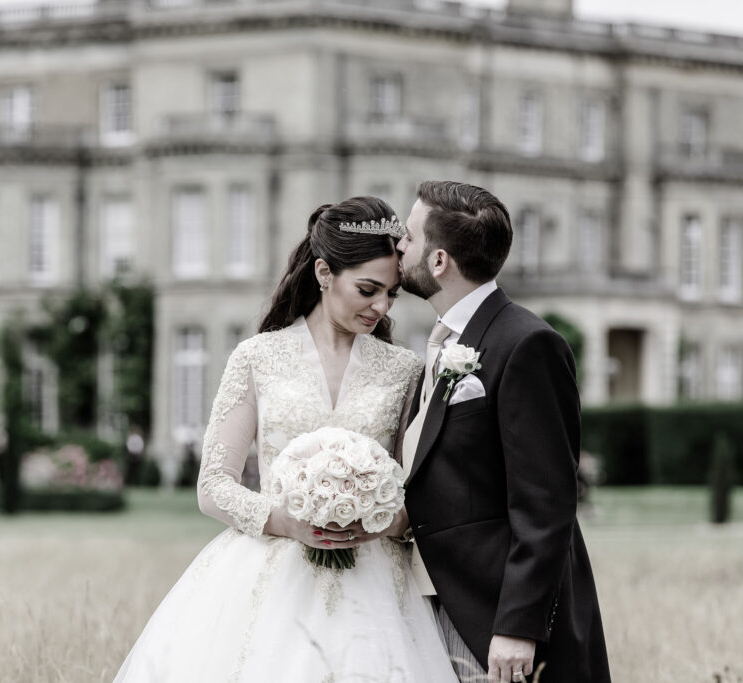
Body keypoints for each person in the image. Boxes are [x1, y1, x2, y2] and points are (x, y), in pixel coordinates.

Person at [114, 197, 459, 682]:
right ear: (323, 273)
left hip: (377, 581)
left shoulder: (405, 369)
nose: (380, 306)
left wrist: (382, 520)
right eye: (367, 289)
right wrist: (287, 522)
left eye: (391, 294)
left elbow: (418, 490)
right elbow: (213, 483)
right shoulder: (257, 357)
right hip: (270, 573)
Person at [396, 180, 611, 683]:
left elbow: (546, 501)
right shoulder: (444, 344)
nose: (398, 247)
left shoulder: (527, 343)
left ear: (439, 261)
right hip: (437, 598)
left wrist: (518, 625)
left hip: (494, 612)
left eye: (408, 237)